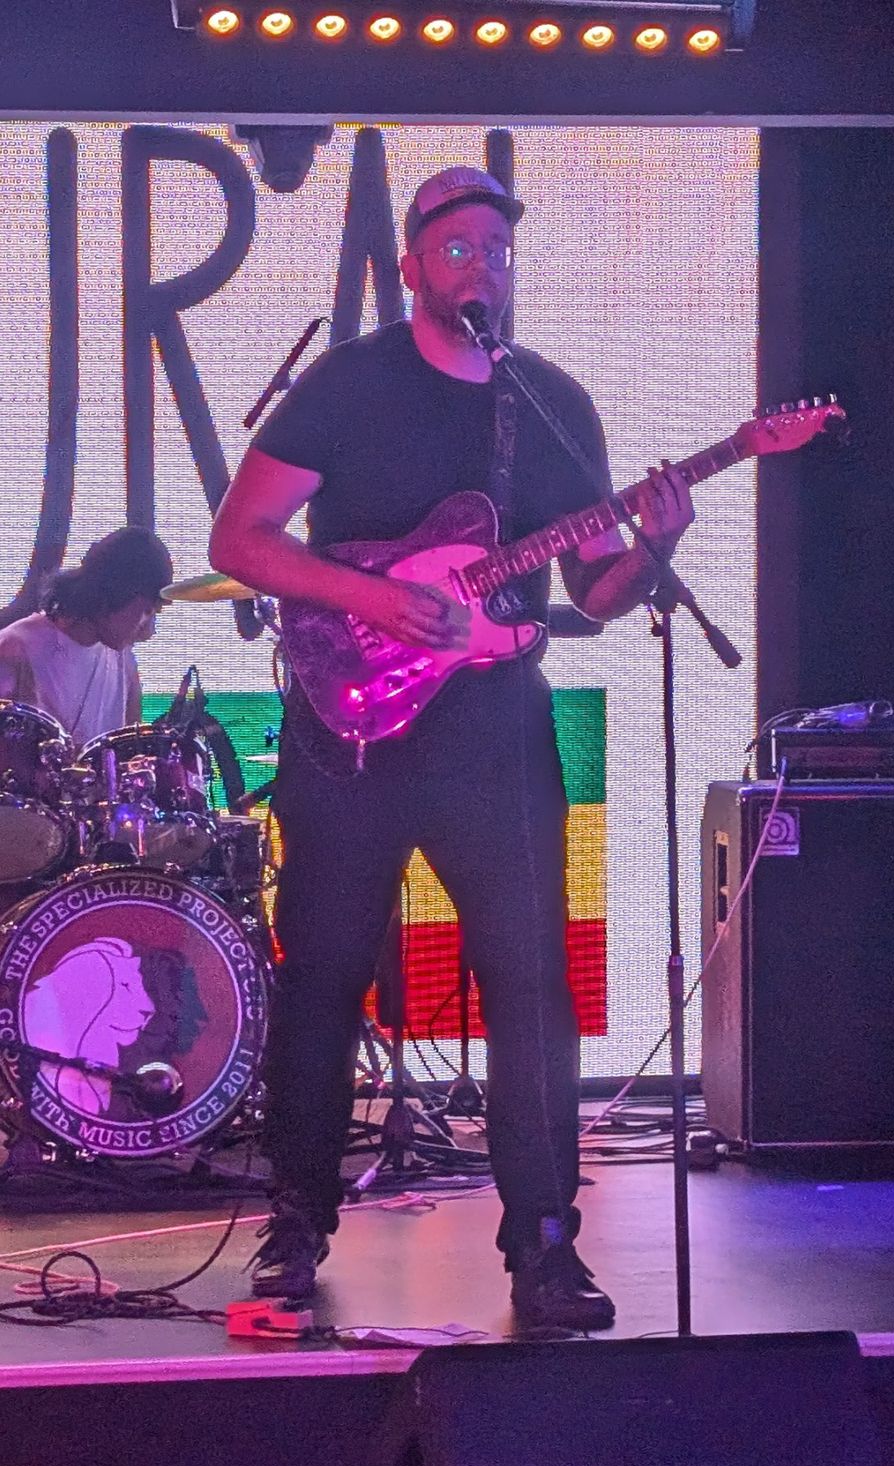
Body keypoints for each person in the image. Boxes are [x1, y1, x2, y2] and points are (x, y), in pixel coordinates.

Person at [208, 166, 694, 1330]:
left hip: (494, 727)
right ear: (415, 265)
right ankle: (296, 1219)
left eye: (498, 246)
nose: (484, 264)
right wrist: (372, 599)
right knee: (323, 977)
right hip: (348, 727)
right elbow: (240, 538)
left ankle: (545, 1242)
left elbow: (596, 588)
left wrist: (656, 546)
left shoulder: (549, 402)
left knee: (531, 984)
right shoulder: (348, 385)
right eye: (459, 246)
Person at [0, 526, 171, 744]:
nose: (149, 632)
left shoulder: (123, 660)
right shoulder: (15, 649)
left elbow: (130, 747)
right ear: (115, 593)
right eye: (147, 611)